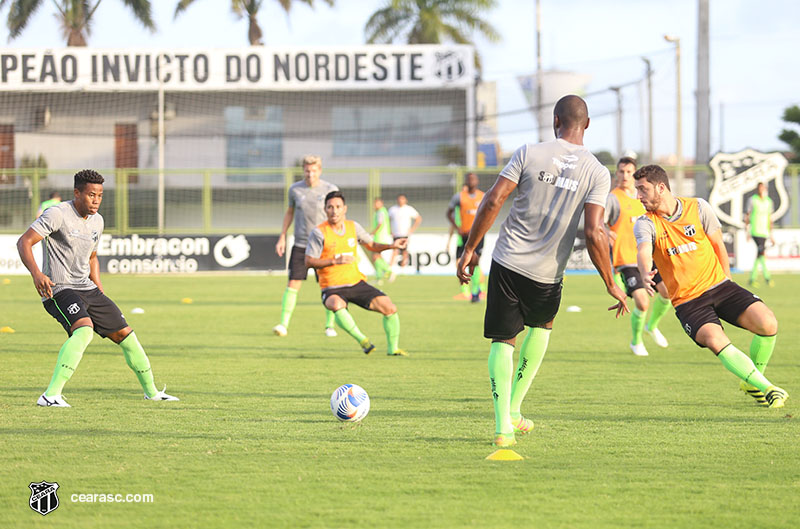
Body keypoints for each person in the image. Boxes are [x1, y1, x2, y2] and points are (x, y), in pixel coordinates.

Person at [456, 95, 629, 448]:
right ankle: (514, 410)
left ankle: (505, 425)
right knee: (541, 327)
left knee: (503, 340)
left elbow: (493, 200)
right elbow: (596, 231)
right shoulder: (597, 171)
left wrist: (471, 249)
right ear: (588, 124)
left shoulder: (528, 152)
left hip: (508, 262)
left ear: (555, 121)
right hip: (549, 272)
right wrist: (611, 282)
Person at [17, 169, 178, 407]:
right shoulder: (57, 214)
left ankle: (152, 392)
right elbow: (24, 242)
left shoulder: (98, 221)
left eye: (100, 195)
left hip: (87, 288)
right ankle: (50, 395)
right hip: (58, 288)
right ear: (77, 193)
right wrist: (37, 274)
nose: (96, 200)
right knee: (84, 331)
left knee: (126, 335)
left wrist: (99, 289)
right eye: (91, 195)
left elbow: (93, 257)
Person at [633, 164, 787, 408]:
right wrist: (644, 272)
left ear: (661, 188)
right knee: (716, 340)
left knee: (768, 323)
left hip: (720, 286)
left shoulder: (698, 207)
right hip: (688, 302)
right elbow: (643, 250)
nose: (638, 196)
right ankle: (766, 386)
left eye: (643, 189)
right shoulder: (645, 223)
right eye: (637, 190)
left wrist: (727, 280)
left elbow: (717, 245)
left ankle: (751, 380)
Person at [305, 191, 409, 356]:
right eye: (330, 207)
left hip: (356, 283)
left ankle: (393, 349)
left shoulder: (353, 227)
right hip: (331, 287)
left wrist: (392, 246)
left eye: (338, 207)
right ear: (325, 209)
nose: (334, 210)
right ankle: (363, 340)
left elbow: (371, 245)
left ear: (344, 209)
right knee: (336, 305)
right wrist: (334, 260)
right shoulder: (319, 233)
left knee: (390, 307)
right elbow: (309, 261)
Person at [605, 156, 671, 356]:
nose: (625, 176)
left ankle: (651, 326)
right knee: (642, 301)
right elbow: (599, 221)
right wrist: (605, 230)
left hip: (649, 257)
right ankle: (636, 341)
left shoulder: (642, 198)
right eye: (622, 172)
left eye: (629, 172)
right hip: (626, 260)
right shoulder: (613, 198)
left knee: (668, 293)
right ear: (617, 173)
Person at [273, 155, 339, 337]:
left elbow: (338, 215)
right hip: (301, 244)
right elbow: (290, 212)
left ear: (320, 170)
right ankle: (283, 324)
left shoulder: (330, 189)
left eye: (314, 170)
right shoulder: (295, 189)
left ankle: (330, 325)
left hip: (324, 246)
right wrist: (282, 237)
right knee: (293, 283)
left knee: (329, 285)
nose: (310, 174)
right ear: (303, 171)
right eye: (307, 171)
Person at [447, 173, 485, 302]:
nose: (471, 181)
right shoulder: (459, 197)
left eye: (474, 178)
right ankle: (467, 291)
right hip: (463, 236)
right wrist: (457, 228)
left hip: (479, 235)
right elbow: (449, 213)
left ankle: (475, 292)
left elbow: (490, 212)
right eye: (469, 179)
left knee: (474, 262)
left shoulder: (483, 196)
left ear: (477, 181)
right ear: (466, 181)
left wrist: (484, 227)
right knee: (461, 263)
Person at [744, 182, 775, 287]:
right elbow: (747, 216)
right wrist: (747, 231)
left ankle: (752, 278)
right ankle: (767, 277)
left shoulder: (769, 202)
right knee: (761, 252)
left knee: (759, 254)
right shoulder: (752, 200)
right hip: (755, 231)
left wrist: (771, 235)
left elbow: (770, 219)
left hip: (764, 232)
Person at [387, 194, 422, 281]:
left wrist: (411, 230)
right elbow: (387, 220)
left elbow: (418, 218)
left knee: (404, 251)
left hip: (405, 234)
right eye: (399, 199)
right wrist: (390, 230)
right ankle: (391, 269)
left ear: (405, 200)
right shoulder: (393, 209)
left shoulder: (408, 209)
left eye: (402, 199)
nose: (401, 201)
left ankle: (403, 269)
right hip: (396, 234)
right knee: (395, 250)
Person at [369, 197, 393, 283]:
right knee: (377, 257)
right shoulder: (382, 212)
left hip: (380, 237)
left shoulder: (381, 212)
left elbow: (380, 224)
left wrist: (372, 233)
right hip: (380, 237)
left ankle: (388, 271)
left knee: (375, 256)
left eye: (376, 203)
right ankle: (379, 278)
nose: (374, 205)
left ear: (381, 203)